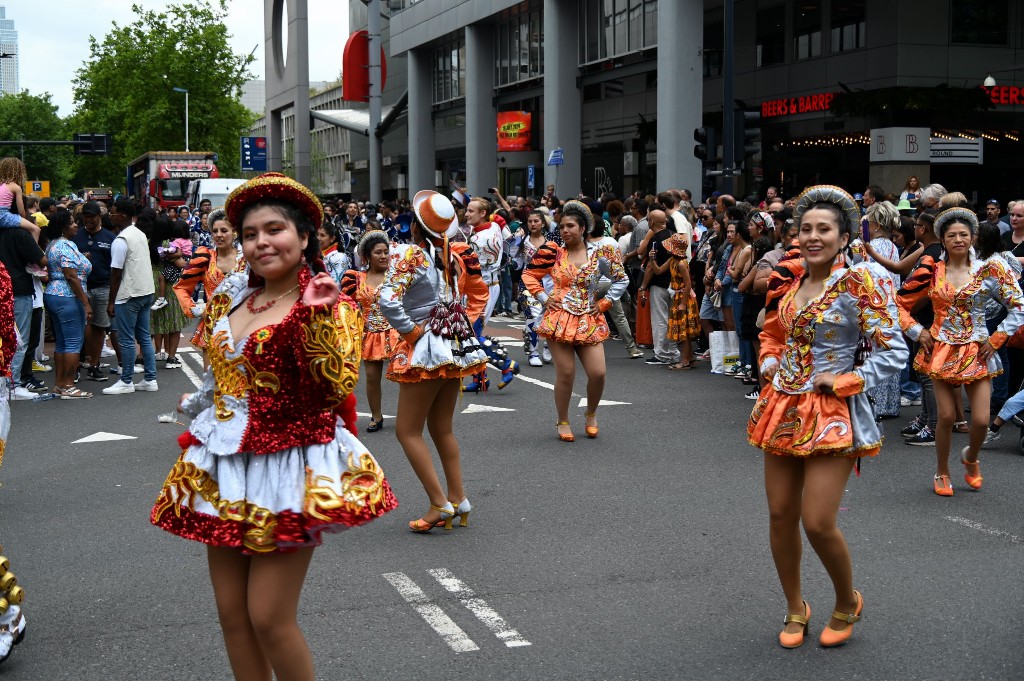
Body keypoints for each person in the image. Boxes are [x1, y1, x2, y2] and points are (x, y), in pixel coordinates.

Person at [151, 172, 396, 681]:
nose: (261, 242)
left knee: (269, 617)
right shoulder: (231, 300)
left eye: (275, 229)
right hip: (224, 463)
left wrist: (318, 319)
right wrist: (194, 411)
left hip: (288, 465)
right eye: (249, 233)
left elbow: (335, 385)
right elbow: (222, 379)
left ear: (304, 237)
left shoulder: (331, 304)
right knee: (233, 617)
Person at [749, 185, 907, 649]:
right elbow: (773, 335)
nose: (813, 236)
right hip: (781, 406)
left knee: (817, 520)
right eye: (806, 229)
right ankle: (796, 607)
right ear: (795, 235)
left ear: (843, 237)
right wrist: (769, 362)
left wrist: (846, 380)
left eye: (824, 229)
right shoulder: (790, 281)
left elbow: (894, 350)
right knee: (780, 515)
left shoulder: (861, 282)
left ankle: (846, 600)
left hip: (834, 412)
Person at [378, 189, 488, 531]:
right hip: (454, 344)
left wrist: (412, 334)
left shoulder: (411, 255)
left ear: (415, 225)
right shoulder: (452, 254)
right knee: (442, 428)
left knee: (407, 430)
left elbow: (387, 301)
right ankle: (459, 498)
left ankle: (439, 504)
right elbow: (469, 296)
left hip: (426, 345)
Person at [897, 207, 1024, 496]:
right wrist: (918, 331)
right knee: (944, 417)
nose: (958, 239)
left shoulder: (990, 269)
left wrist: (997, 338)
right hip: (940, 348)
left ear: (972, 238)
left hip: (979, 349)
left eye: (963, 235)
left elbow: (1019, 305)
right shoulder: (931, 269)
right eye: (951, 235)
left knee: (980, 420)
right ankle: (942, 471)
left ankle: (971, 457)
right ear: (942, 239)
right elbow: (899, 305)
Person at [521, 200, 628, 441]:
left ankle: (591, 414)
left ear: (583, 229)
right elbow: (529, 275)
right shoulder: (552, 251)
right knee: (566, 373)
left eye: (570, 226)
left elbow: (621, 279)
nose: (565, 231)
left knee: (598, 372)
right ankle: (563, 420)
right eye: (561, 227)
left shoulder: (602, 253)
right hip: (558, 318)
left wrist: (603, 303)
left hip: (588, 318)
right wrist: (544, 298)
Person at [340, 230, 398, 433]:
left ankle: (412, 414)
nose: (383, 256)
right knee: (372, 378)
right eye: (378, 252)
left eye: (385, 252)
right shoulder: (355, 279)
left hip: (398, 333)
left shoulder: (397, 277)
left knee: (407, 375)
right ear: (367, 256)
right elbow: (345, 306)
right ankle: (376, 415)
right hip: (370, 334)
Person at [173, 208, 245, 359]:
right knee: (211, 380)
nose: (219, 235)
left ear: (234, 232)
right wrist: (195, 309)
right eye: (215, 231)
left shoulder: (246, 259)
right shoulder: (205, 257)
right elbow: (181, 287)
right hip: (213, 327)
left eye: (224, 230)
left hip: (242, 327)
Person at [102, 203, 159, 395]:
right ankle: (150, 379)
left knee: (126, 339)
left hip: (128, 294)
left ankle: (126, 380)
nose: (111, 215)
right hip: (145, 290)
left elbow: (116, 273)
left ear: (123, 215)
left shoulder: (121, 240)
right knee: (143, 336)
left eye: (113, 212)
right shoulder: (139, 233)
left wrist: (111, 301)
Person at [42, 211, 93, 398]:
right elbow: (71, 275)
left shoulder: (53, 245)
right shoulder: (65, 245)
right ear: (63, 227)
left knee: (62, 342)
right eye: (72, 223)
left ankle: (60, 384)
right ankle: (70, 386)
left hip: (53, 294)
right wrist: (86, 303)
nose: (76, 225)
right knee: (73, 343)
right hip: (68, 296)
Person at [0, 210, 48, 400]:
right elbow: (40, 259)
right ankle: (14, 384)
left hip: (5, 287)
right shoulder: (20, 234)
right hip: (18, 289)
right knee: (19, 339)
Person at [73, 201, 118, 382]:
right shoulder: (76, 236)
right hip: (80, 287)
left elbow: (115, 268)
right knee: (80, 326)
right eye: (86, 216)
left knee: (100, 326)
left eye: (92, 216)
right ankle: (76, 365)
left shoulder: (110, 237)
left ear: (100, 217)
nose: (89, 220)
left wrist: (113, 297)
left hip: (102, 287)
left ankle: (94, 365)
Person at [147, 213, 190, 369]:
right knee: (174, 323)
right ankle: (171, 357)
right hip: (170, 284)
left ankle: (150, 353)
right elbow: (181, 264)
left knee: (154, 321)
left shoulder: (147, 242)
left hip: (150, 282)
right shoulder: (169, 245)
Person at [660, 233, 700, 369]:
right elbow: (658, 271)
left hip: (684, 298)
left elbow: (688, 284)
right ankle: (690, 357)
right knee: (683, 331)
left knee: (684, 332)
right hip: (678, 297)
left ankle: (684, 361)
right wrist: (652, 259)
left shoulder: (682, 264)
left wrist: (683, 303)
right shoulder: (672, 260)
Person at [0, 158, 41, 240]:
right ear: (19, 172)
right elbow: (21, 212)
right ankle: (31, 251)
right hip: (3, 215)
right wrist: (25, 220)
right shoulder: (16, 187)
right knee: (36, 230)